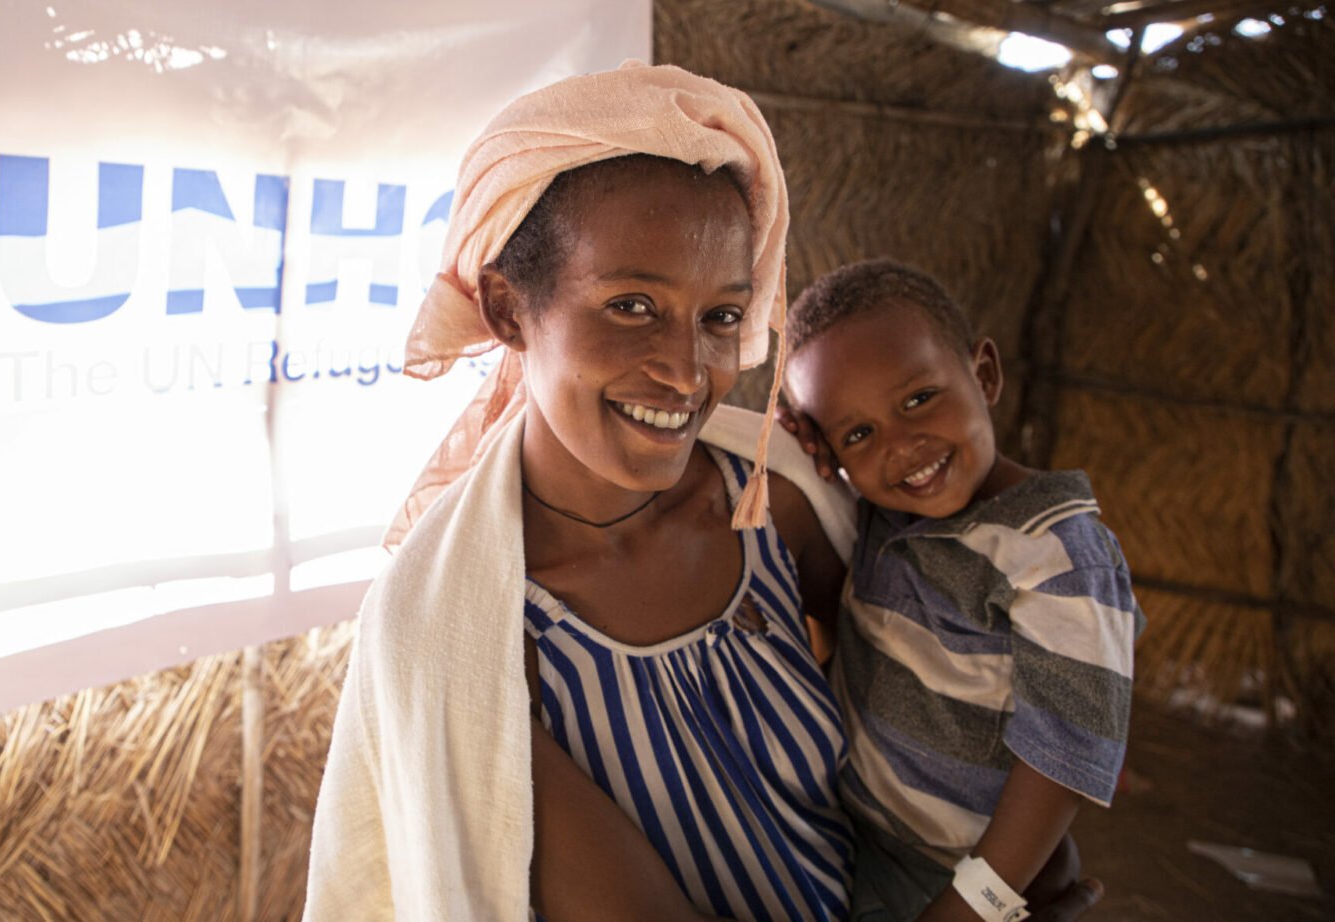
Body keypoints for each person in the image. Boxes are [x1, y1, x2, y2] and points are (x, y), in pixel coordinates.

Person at [303, 63, 1104, 922]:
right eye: (632, 306)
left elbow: (967, 695)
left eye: (722, 317)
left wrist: (1005, 879)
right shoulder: (465, 627)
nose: (688, 373)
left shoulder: (777, 504)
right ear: (505, 309)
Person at [780, 259, 1142, 922]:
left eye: (919, 399)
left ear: (984, 376)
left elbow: (1064, 756)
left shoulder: (1057, 556)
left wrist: (974, 905)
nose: (904, 446)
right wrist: (793, 438)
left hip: (949, 878)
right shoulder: (884, 517)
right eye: (858, 433)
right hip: (855, 835)